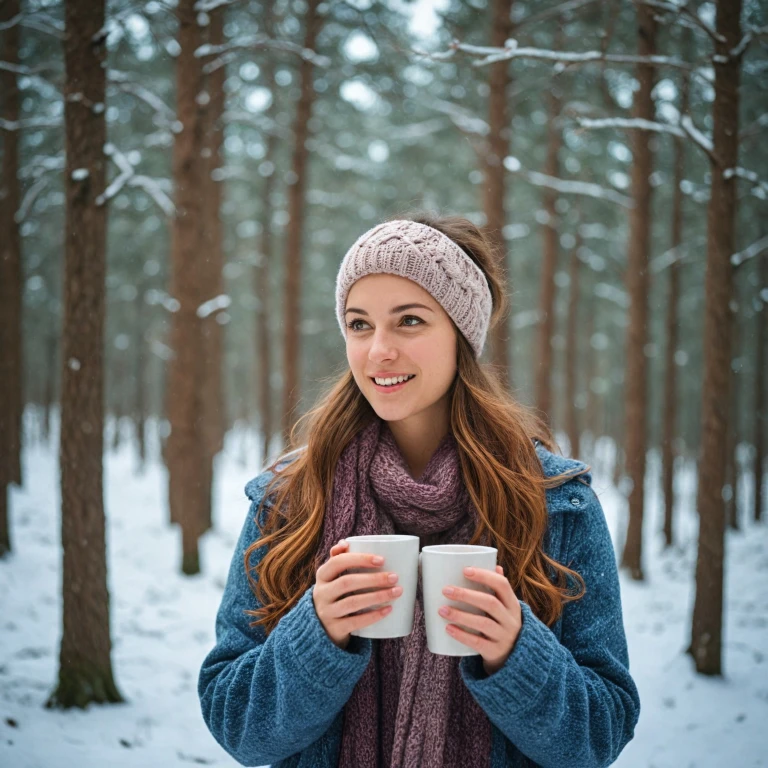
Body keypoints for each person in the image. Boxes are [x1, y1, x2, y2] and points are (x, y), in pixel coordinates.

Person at [198, 214, 640, 768]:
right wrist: (317, 634)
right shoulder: (290, 500)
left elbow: (601, 734)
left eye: (409, 321)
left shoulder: (555, 505)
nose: (378, 350)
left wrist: (516, 653)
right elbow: (235, 723)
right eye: (359, 325)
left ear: (461, 335)